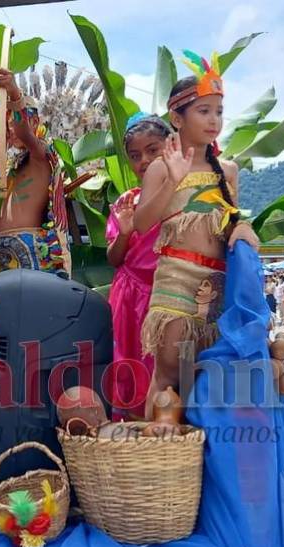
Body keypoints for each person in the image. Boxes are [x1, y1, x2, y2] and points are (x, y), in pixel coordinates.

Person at [131, 57, 259, 412]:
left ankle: (197, 458)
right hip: (176, 278)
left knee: (205, 375)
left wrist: (244, 227)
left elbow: (232, 221)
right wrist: (172, 179)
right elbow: (142, 225)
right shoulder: (161, 167)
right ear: (177, 118)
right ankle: (160, 458)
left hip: (218, 283)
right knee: (170, 370)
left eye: (219, 111)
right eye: (203, 110)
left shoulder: (228, 171)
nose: (214, 120)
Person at [0, 68, 71, 294]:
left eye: (14, 120)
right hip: (0, 248)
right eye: (5, 122)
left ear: (36, 121)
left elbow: (24, 132)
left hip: (29, 247)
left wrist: (14, 93)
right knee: (1, 319)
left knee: (28, 316)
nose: (11, 127)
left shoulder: (42, 154)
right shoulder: (11, 164)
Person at [105, 113, 170, 418]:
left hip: (168, 296)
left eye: (152, 150)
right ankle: (129, 439)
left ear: (170, 147)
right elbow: (114, 259)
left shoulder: (184, 197)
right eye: (135, 155)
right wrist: (126, 231)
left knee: (164, 370)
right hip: (129, 298)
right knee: (127, 368)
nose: (143, 161)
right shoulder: (126, 202)